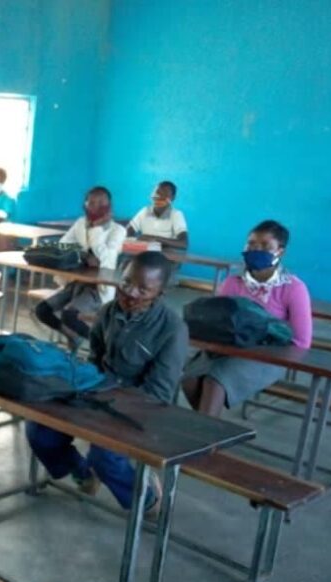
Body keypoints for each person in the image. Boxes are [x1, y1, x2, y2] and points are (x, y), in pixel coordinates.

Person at [26, 251, 188, 515]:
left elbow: (159, 392)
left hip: (139, 408)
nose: (131, 293)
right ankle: (83, 473)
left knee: (105, 456)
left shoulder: (172, 329)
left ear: (160, 293)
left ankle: (147, 499)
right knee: (40, 430)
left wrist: (109, 408)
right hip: (99, 394)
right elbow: (93, 360)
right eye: (126, 283)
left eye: (143, 290)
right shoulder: (108, 312)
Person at [182, 220, 312, 418]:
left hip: (270, 355)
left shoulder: (293, 288)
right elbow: (215, 323)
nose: (255, 250)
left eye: (265, 246)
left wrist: (258, 347)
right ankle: (209, 432)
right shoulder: (233, 282)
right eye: (251, 244)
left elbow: (301, 341)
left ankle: (203, 438)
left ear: (280, 252)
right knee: (189, 378)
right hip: (228, 348)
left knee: (215, 381)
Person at [36, 186, 127, 348]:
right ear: (85, 205)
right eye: (91, 202)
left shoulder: (118, 231)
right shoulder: (80, 223)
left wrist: (97, 227)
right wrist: (83, 255)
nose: (96, 206)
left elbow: (106, 257)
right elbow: (64, 244)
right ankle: (73, 336)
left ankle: (101, 347)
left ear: (110, 206)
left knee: (69, 314)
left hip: (98, 288)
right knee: (42, 310)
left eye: (101, 202)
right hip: (77, 282)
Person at [126, 181, 189, 249]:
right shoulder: (145, 211)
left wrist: (154, 239)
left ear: (172, 198)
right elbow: (127, 232)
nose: (159, 196)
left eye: (164, 194)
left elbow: (183, 243)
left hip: (166, 257)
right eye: (157, 192)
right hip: (145, 253)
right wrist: (136, 241)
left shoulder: (176, 215)